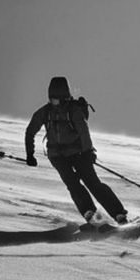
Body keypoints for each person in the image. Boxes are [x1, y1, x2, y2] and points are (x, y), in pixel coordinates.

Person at [25, 75, 128, 224]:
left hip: (79, 153)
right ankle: (89, 212)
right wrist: (30, 154)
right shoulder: (45, 112)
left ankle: (118, 214)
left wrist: (88, 152)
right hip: (57, 156)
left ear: (65, 97)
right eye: (51, 99)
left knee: (92, 182)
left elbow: (83, 130)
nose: (54, 103)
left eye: (57, 99)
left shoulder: (73, 110)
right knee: (72, 184)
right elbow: (30, 131)